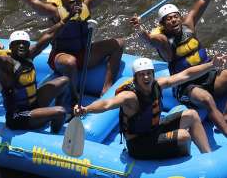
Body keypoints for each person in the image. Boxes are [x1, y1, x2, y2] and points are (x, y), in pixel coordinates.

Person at [7, 0, 124, 102]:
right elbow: (33, 2)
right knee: (70, 62)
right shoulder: (54, 11)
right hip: (61, 57)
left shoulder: (87, 4)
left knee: (119, 43)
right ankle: (74, 98)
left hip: (84, 53)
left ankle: (107, 88)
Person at [130, 0, 227, 137]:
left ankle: (224, 116)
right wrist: (139, 28)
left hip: (209, 74)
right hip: (188, 86)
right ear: (163, 24)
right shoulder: (163, 41)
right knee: (207, 99)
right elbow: (149, 40)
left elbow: (203, 1)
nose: (174, 20)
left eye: (175, 17)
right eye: (169, 19)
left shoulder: (188, 25)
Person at [74, 56, 227, 159]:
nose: (146, 77)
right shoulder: (130, 96)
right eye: (142, 75)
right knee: (183, 136)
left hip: (154, 130)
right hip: (139, 144)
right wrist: (86, 109)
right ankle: (186, 165)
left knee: (192, 115)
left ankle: (207, 158)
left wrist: (211, 65)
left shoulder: (157, 85)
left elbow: (185, 75)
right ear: (135, 77)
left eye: (149, 73)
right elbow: (107, 104)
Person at [0, 15, 77, 132]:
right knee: (60, 111)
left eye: (24, 43)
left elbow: (49, 35)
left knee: (65, 81)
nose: (21, 45)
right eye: (17, 43)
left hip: (34, 103)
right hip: (18, 116)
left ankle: (57, 115)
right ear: (10, 46)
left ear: (28, 46)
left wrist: (67, 18)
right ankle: (54, 135)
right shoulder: (7, 63)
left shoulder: (30, 55)